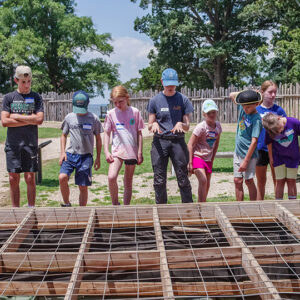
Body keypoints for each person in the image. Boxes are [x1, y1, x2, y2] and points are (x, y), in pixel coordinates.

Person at [147, 68, 194, 204]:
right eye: (168, 84)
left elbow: (187, 125)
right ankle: (162, 211)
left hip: (178, 142)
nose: (170, 87)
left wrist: (181, 124)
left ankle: (188, 210)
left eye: (173, 84)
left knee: (182, 178)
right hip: (160, 142)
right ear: (162, 82)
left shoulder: (183, 100)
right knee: (159, 179)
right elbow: (149, 124)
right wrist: (153, 125)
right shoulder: (155, 101)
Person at [1, 66, 44, 207]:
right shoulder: (9, 98)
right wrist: (29, 119)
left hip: (30, 144)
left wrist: (16, 116)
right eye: (23, 81)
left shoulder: (36, 97)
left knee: (30, 177)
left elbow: (39, 120)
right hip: (13, 144)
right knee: (13, 178)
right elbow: (5, 122)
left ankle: (31, 208)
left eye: (29, 81)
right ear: (16, 80)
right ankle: (15, 210)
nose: (26, 85)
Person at [59, 90, 102, 207]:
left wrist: (98, 157)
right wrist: (62, 152)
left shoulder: (94, 119)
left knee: (82, 186)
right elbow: (63, 135)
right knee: (62, 177)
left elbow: (98, 139)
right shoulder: (69, 117)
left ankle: (82, 210)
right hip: (70, 154)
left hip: (86, 156)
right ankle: (67, 203)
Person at [103, 85, 144, 205]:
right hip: (117, 151)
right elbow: (106, 133)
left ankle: (126, 207)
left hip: (131, 151)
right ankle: (115, 204)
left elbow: (139, 133)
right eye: (114, 102)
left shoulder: (135, 112)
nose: (117, 105)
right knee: (111, 177)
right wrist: (106, 151)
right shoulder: (110, 114)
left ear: (127, 98)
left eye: (120, 101)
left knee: (128, 181)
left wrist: (140, 152)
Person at [229, 90, 262, 201]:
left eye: (248, 107)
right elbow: (232, 95)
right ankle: (239, 207)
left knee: (249, 181)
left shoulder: (257, 119)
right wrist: (249, 93)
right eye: (243, 106)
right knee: (237, 180)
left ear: (256, 104)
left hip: (249, 156)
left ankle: (252, 207)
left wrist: (246, 161)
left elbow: (254, 141)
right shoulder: (243, 110)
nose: (244, 109)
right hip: (238, 152)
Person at [256, 80, 287, 200]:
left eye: (275, 92)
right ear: (262, 92)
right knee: (260, 182)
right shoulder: (256, 110)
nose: (273, 95)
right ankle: (259, 209)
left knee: (277, 181)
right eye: (270, 92)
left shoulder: (279, 111)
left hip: (276, 150)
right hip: (260, 149)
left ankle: (278, 207)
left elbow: (284, 130)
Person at [187, 99, 222, 202]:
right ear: (204, 114)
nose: (211, 115)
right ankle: (200, 208)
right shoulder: (201, 127)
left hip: (208, 158)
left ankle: (203, 204)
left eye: (213, 112)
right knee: (203, 180)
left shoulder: (218, 126)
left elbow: (216, 144)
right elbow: (190, 144)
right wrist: (190, 162)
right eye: (208, 113)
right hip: (198, 157)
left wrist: (212, 158)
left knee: (207, 183)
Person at [262, 113, 300, 200]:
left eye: (279, 128)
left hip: (293, 158)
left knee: (291, 181)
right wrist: (271, 158)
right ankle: (278, 204)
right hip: (278, 158)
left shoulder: (293, 122)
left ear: (279, 118)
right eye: (276, 131)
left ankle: (292, 205)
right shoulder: (270, 128)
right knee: (280, 181)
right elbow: (269, 143)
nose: (279, 131)